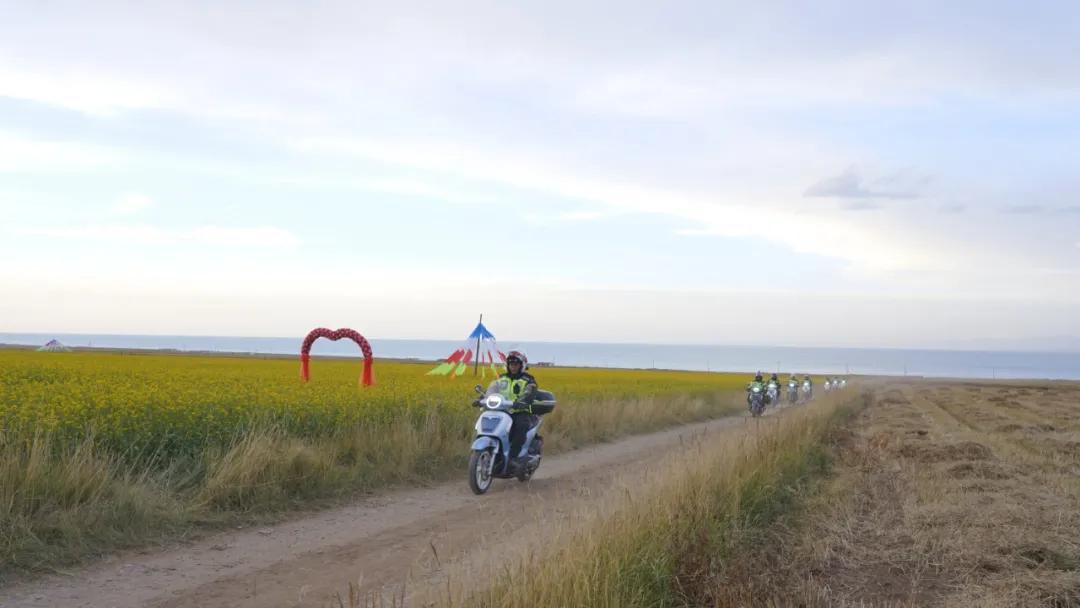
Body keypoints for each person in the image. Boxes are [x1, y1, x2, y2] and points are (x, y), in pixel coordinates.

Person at [499, 350, 539, 470]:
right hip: (503, 411)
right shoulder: (502, 378)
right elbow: (494, 389)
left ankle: (514, 458)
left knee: (520, 427)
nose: (513, 367)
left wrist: (524, 399)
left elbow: (531, 391)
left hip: (520, 412)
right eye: (511, 364)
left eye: (516, 364)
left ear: (521, 365)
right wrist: (484, 397)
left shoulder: (528, 379)